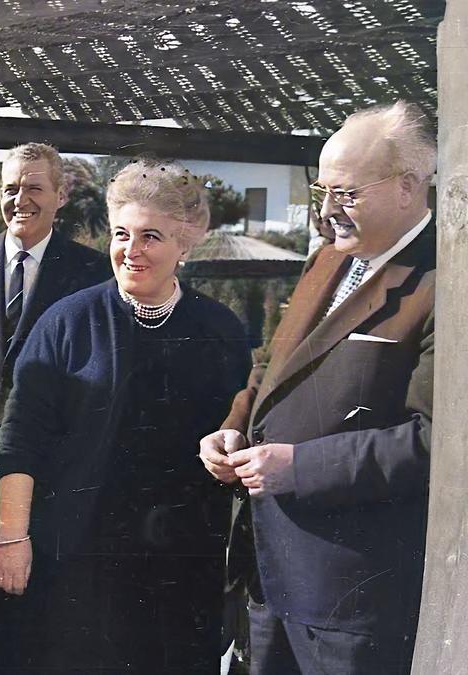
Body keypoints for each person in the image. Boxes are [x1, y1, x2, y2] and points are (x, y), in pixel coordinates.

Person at [200, 100, 435, 674]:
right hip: (268, 577)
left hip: (353, 598)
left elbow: (439, 441)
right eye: (322, 192)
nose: (328, 212)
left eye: (346, 193)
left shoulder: (445, 282)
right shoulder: (328, 260)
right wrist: (232, 428)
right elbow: (271, 368)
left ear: (407, 188)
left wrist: (299, 467)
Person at [0, 158, 250, 672]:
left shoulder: (220, 330)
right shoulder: (64, 323)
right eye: (121, 234)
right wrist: (12, 537)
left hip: (180, 562)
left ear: (185, 243)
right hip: (76, 559)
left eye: (151, 236)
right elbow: (22, 438)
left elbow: (237, 421)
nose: (132, 251)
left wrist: (231, 439)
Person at [0, 142, 109, 671]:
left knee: (56, 595)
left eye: (34, 187)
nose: (20, 199)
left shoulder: (93, 271)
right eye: (11, 187)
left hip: (58, 466)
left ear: (60, 195)